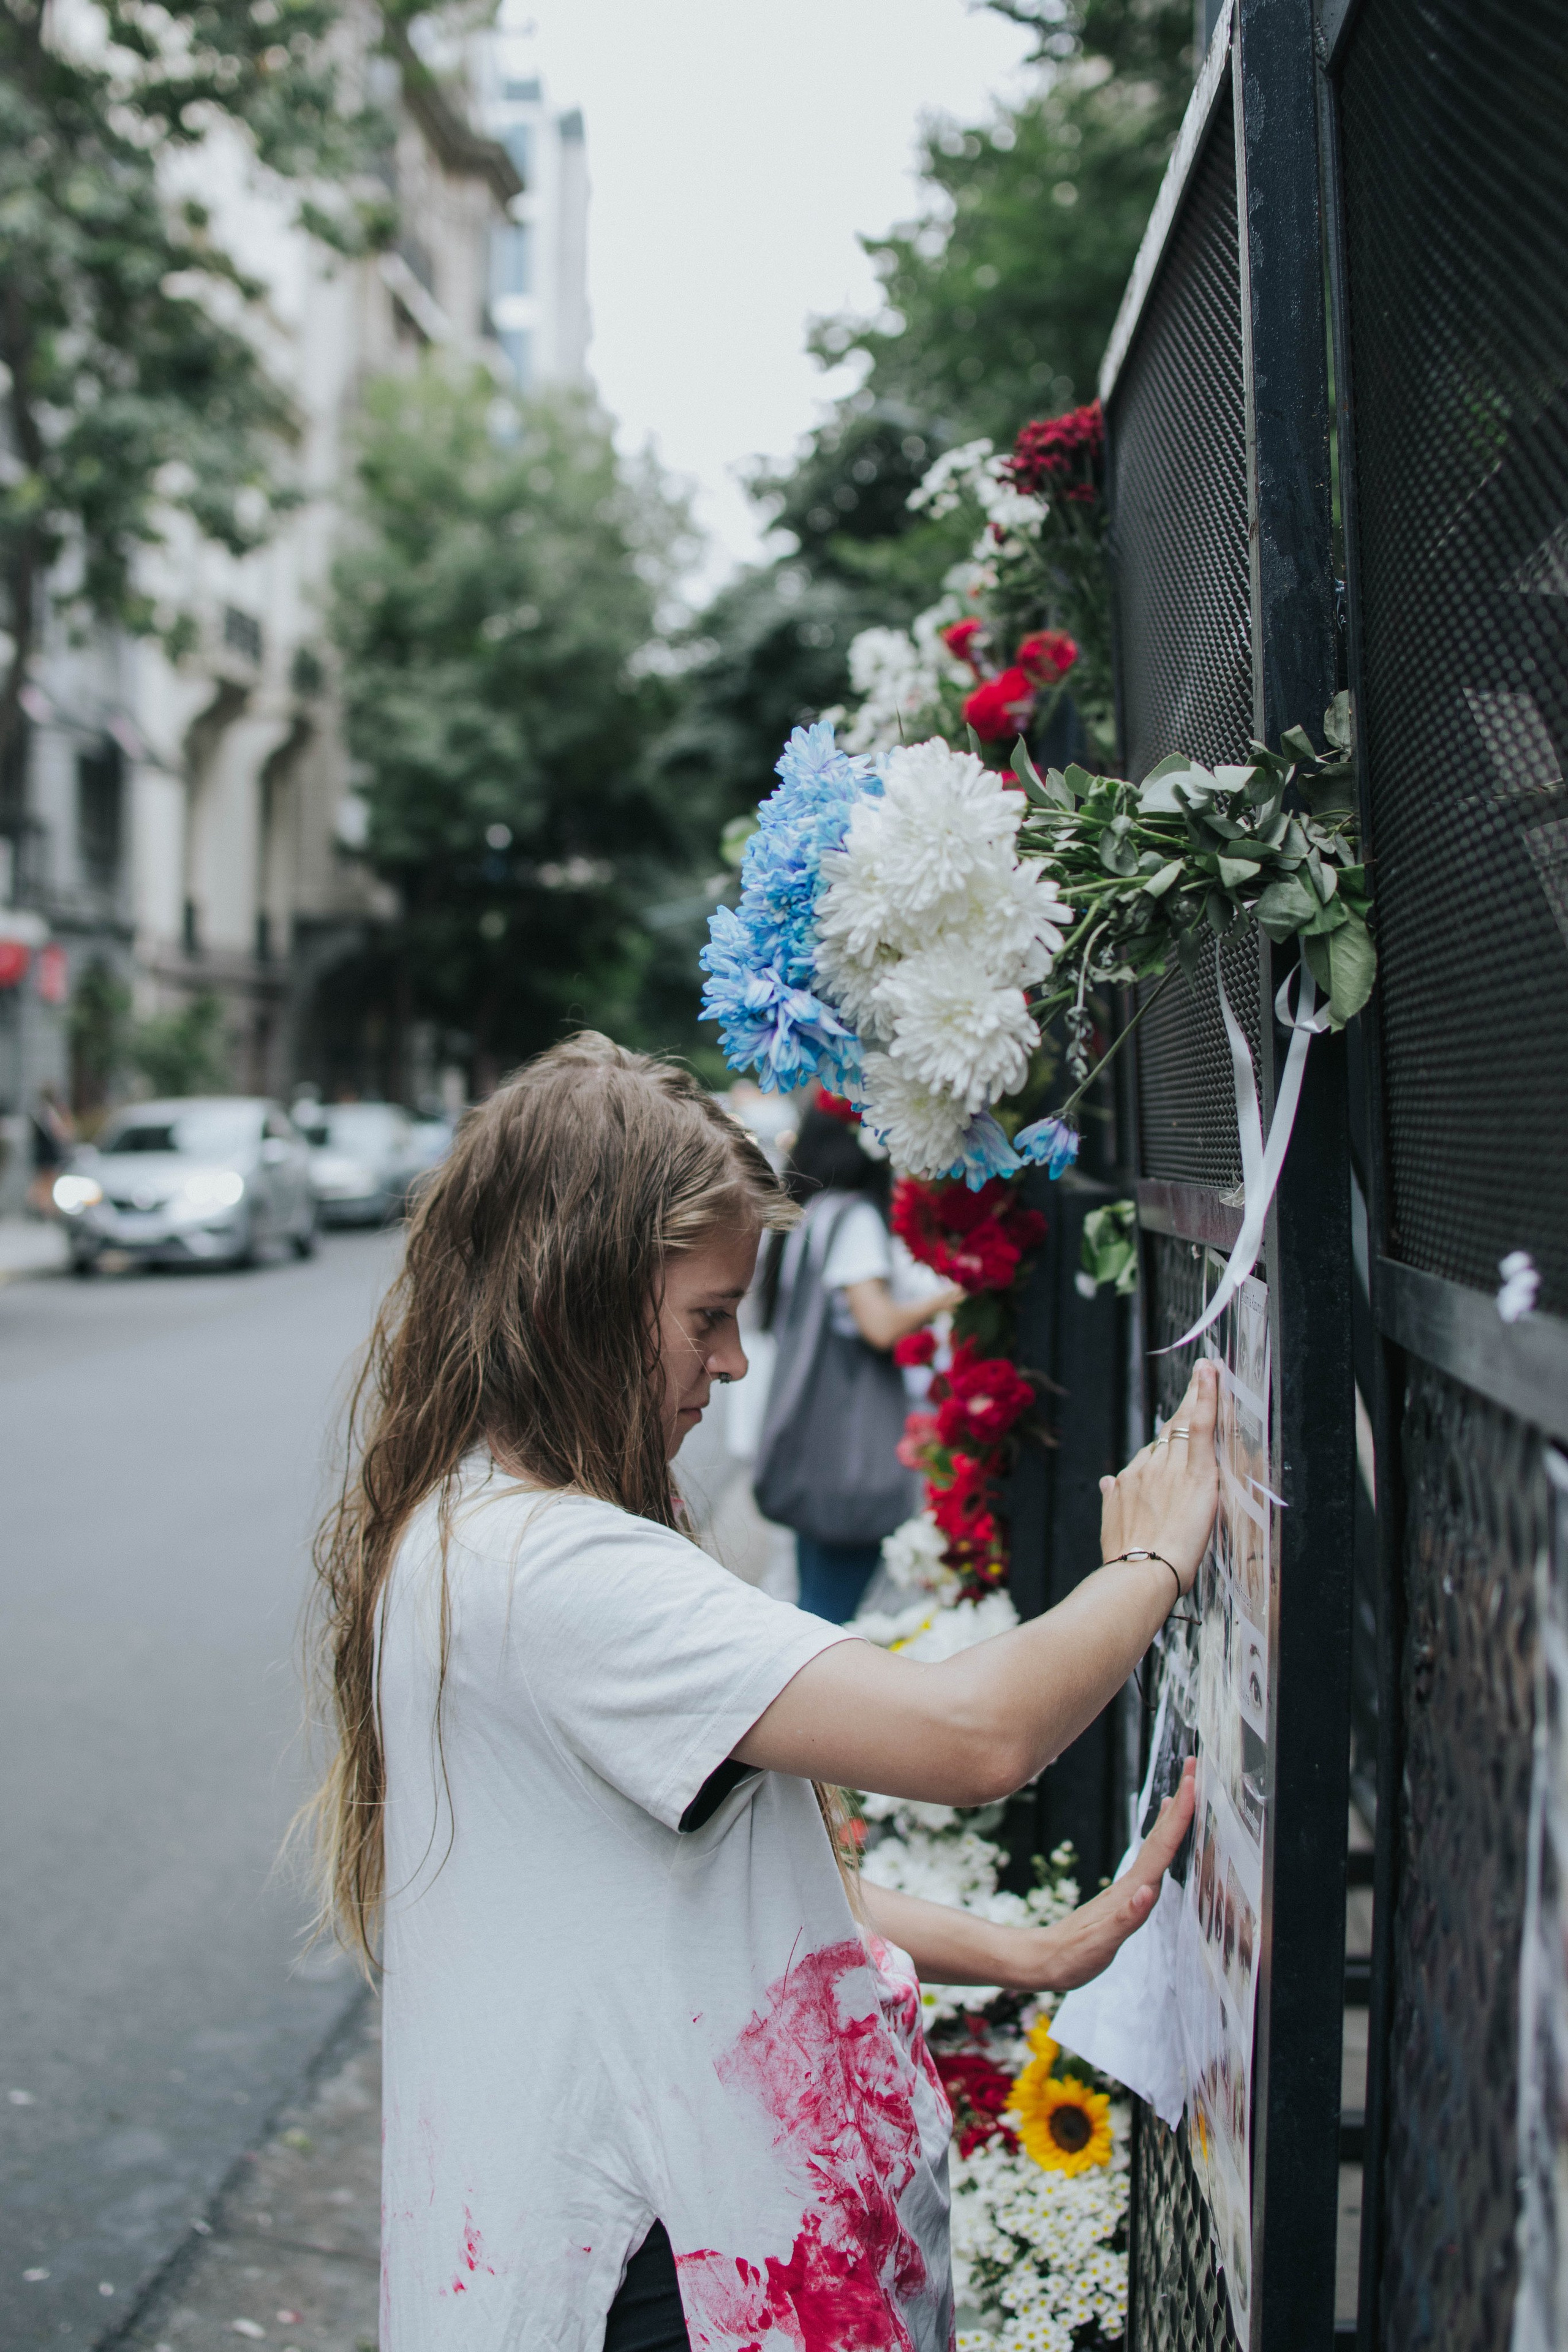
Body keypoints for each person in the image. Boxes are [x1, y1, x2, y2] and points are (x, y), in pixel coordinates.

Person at [306, 1034, 1216, 2352]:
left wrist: (1023, 1953)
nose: (730, 1363)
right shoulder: (560, 1567)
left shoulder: (479, 1525)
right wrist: (1150, 1557)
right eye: (705, 1318)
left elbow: (731, 1885)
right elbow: (976, 1736)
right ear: (579, 1301)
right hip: (659, 2277)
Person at [754, 1099, 963, 1621]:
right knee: (829, 1613)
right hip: (847, 1451)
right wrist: (952, 1296)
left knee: (815, 1598)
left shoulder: (811, 1213)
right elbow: (879, 1325)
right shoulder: (855, 1218)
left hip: (814, 1440)